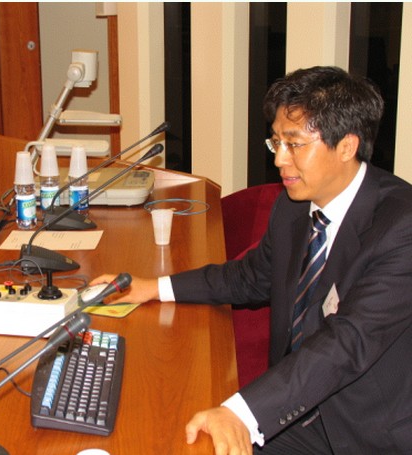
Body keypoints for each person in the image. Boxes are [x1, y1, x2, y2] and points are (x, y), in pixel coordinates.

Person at [91, 66, 412, 454]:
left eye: (294, 144)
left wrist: (242, 412)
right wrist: (154, 288)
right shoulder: (294, 206)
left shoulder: (400, 227)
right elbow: (250, 276)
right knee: (185, 435)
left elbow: (347, 343)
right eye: (276, 142)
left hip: (367, 432)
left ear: (346, 146)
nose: (279, 160)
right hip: (298, 408)